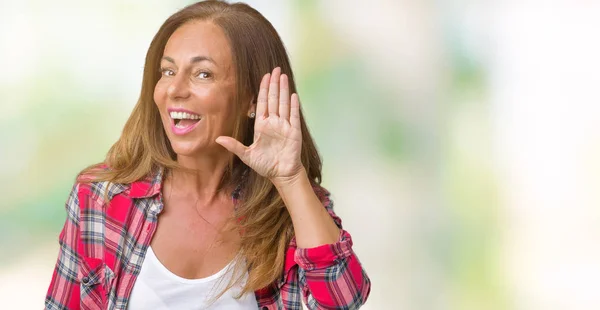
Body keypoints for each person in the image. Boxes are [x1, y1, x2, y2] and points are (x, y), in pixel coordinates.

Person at [44, 1, 371, 309]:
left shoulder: (289, 210)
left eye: (203, 74)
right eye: (168, 71)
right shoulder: (101, 199)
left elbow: (342, 302)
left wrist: (290, 178)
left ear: (251, 99)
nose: (175, 90)